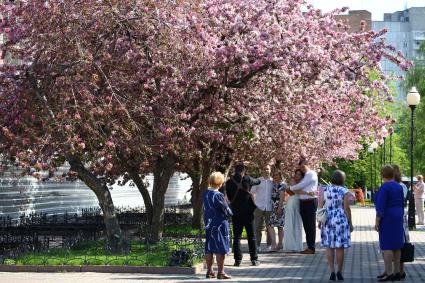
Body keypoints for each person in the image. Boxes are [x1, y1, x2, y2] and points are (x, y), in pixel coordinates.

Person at [319, 170, 353, 282]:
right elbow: (346, 208)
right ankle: (340, 271)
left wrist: (320, 220)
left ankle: (332, 271)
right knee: (340, 247)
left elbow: (320, 206)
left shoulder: (324, 189)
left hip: (328, 219)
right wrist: (350, 223)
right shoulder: (344, 191)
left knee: (329, 246)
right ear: (343, 179)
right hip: (340, 219)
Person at [225, 163, 261, 267]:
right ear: (243, 171)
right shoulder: (247, 179)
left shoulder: (229, 182)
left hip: (236, 213)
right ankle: (254, 259)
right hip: (248, 213)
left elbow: (229, 197)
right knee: (251, 236)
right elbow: (258, 181)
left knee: (236, 237)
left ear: (234, 170)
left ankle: (237, 260)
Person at [375, 165, 404, 282]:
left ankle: (389, 273)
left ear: (383, 175)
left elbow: (381, 206)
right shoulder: (399, 187)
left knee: (386, 245)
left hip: (388, 216)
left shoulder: (384, 187)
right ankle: (397, 272)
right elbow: (402, 202)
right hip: (398, 215)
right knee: (397, 245)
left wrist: (377, 221)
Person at [203, 172, 232, 279]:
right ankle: (221, 272)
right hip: (219, 224)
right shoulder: (218, 195)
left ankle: (209, 271)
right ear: (220, 183)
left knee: (209, 247)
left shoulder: (205, 194)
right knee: (220, 247)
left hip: (209, 224)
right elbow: (227, 211)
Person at [290, 159, 319, 254]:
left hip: (310, 202)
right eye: (300, 167)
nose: (302, 169)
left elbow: (301, 185)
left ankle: (311, 247)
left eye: (303, 167)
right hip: (303, 202)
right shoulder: (305, 175)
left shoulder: (311, 174)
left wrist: (290, 188)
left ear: (307, 164)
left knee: (310, 225)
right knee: (306, 226)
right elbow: (299, 188)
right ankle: (309, 246)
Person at [251, 165, 274, 251]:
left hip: (269, 207)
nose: (266, 170)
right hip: (258, 207)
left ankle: (269, 245)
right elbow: (252, 193)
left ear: (270, 170)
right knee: (257, 227)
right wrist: (254, 204)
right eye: (264, 169)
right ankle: (257, 245)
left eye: (267, 169)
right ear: (262, 170)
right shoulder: (258, 181)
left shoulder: (273, 181)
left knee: (269, 227)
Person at [393, 164, 409, 280]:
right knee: (392, 245)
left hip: (400, 218)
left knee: (401, 244)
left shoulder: (401, 186)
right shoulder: (398, 185)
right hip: (397, 217)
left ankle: (400, 270)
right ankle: (391, 270)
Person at [283, 169, 304, 252]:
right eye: (296, 174)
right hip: (292, 202)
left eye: (299, 174)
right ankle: (290, 246)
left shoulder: (303, 182)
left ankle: (297, 246)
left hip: (299, 203)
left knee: (297, 223)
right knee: (290, 223)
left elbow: (296, 191)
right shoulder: (292, 180)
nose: (297, 176)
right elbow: (293, 191)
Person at [267, 170, 286, 251]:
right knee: (279, 226)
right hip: (274, 207)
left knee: (271, 225)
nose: (275, 176)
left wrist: (279, 208)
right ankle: (279, 244)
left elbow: (281, 198)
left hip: (279, 206)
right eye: (274, 175)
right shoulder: (274, 184)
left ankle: (275, 244)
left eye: (277, 175)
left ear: (280, 176)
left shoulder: (282, 185)